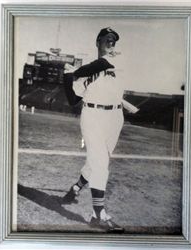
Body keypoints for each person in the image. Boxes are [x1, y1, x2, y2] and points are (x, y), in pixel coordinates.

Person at [63, 27, 130, 233]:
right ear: (98, 42)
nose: (112, 44)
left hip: (115, 117)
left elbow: (101, 64)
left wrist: (73, 72)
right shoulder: (86, 72)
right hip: (92, 115)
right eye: (107, 40)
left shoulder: (117, 59)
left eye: (114, 41)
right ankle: (98, 215)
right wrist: (66, 78)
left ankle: (75, 188)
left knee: (98, 161)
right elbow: (73, 100)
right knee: (100, 163)